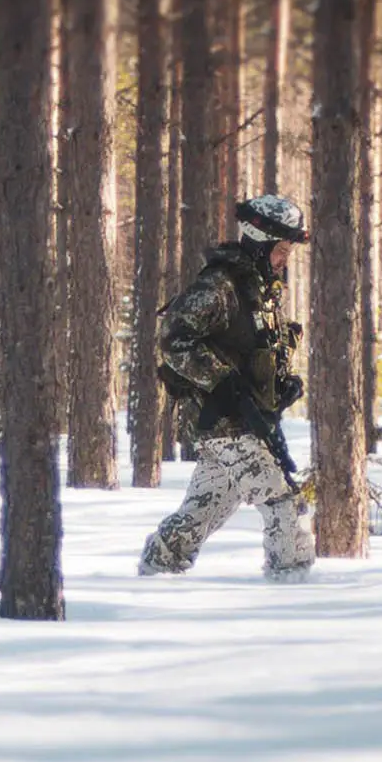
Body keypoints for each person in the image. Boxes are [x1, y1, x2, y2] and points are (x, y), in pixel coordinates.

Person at [140, 194, 317, 582]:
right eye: (281, 249)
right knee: (284, 503)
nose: (285, 258)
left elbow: (256, 347)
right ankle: (295, 586)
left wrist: (283, 385)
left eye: (288, 250)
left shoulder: (263, 290)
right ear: (259, 241)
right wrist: (224, 384)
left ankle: (157, 570)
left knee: (203, 510)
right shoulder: (219, 286)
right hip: (226, 426)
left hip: (245, 424)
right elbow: (174, 340)